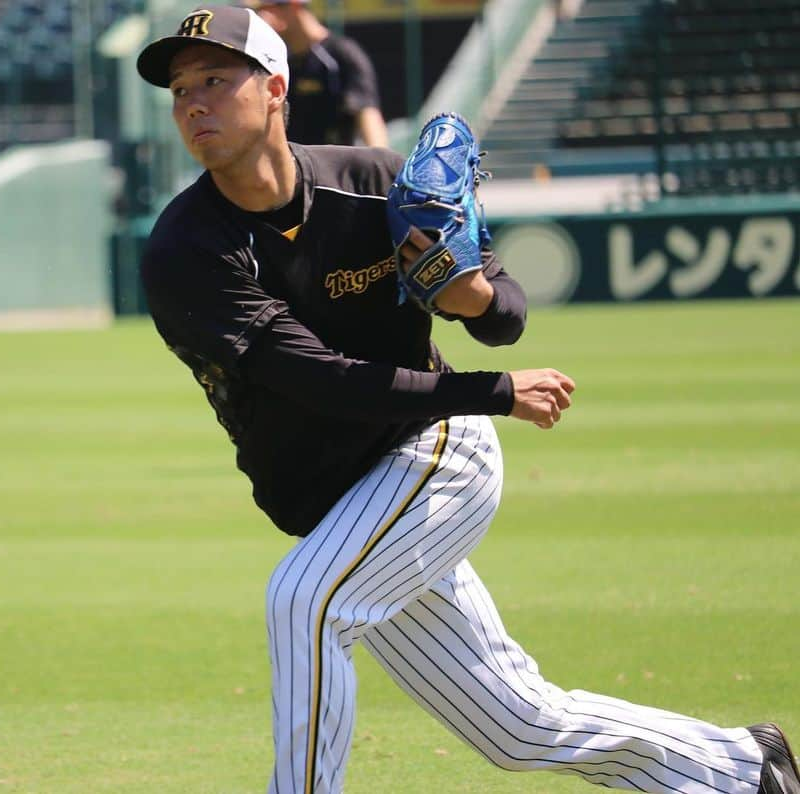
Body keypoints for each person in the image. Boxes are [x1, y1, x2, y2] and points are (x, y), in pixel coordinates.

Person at [134, 7, 799, 794]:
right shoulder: (186, 251)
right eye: (180, 90)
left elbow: (507, 315)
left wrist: (470, 292)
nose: (194, 104)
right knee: (515, 723)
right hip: (342, 497)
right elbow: (319, 379)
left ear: (276, 87)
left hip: (432, 449)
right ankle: (740, 768)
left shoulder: (375, 185)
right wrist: (497, 393)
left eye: (216, 79)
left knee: (304, 601)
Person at [244, 0, 388, 147]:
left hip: (333, 165)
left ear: (294, 6)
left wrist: (381, 162)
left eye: (266, 9)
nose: (262, 17)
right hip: (295, 164)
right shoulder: (276, 60)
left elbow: (368, 113)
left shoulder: (340, 54)